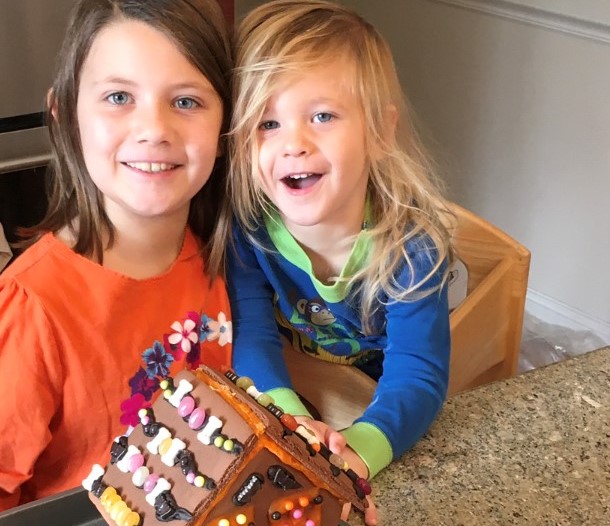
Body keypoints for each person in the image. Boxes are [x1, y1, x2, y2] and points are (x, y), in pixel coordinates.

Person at [0, 0, 233, 523]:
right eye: (119, 96)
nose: (154, 128)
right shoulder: (24, 317)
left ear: (225, 125)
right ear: (66, 115)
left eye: (187, 101)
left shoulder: (227, 260)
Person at [227, 0, 453, 510]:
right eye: (267, 124)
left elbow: (417, 374)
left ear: (378, 132)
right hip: (301, 388)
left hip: (379, 401)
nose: (294, 144)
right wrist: (287, 420)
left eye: (322, 115)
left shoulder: (414, 250)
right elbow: (252, 333)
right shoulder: (248, 230)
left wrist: (360, 449)